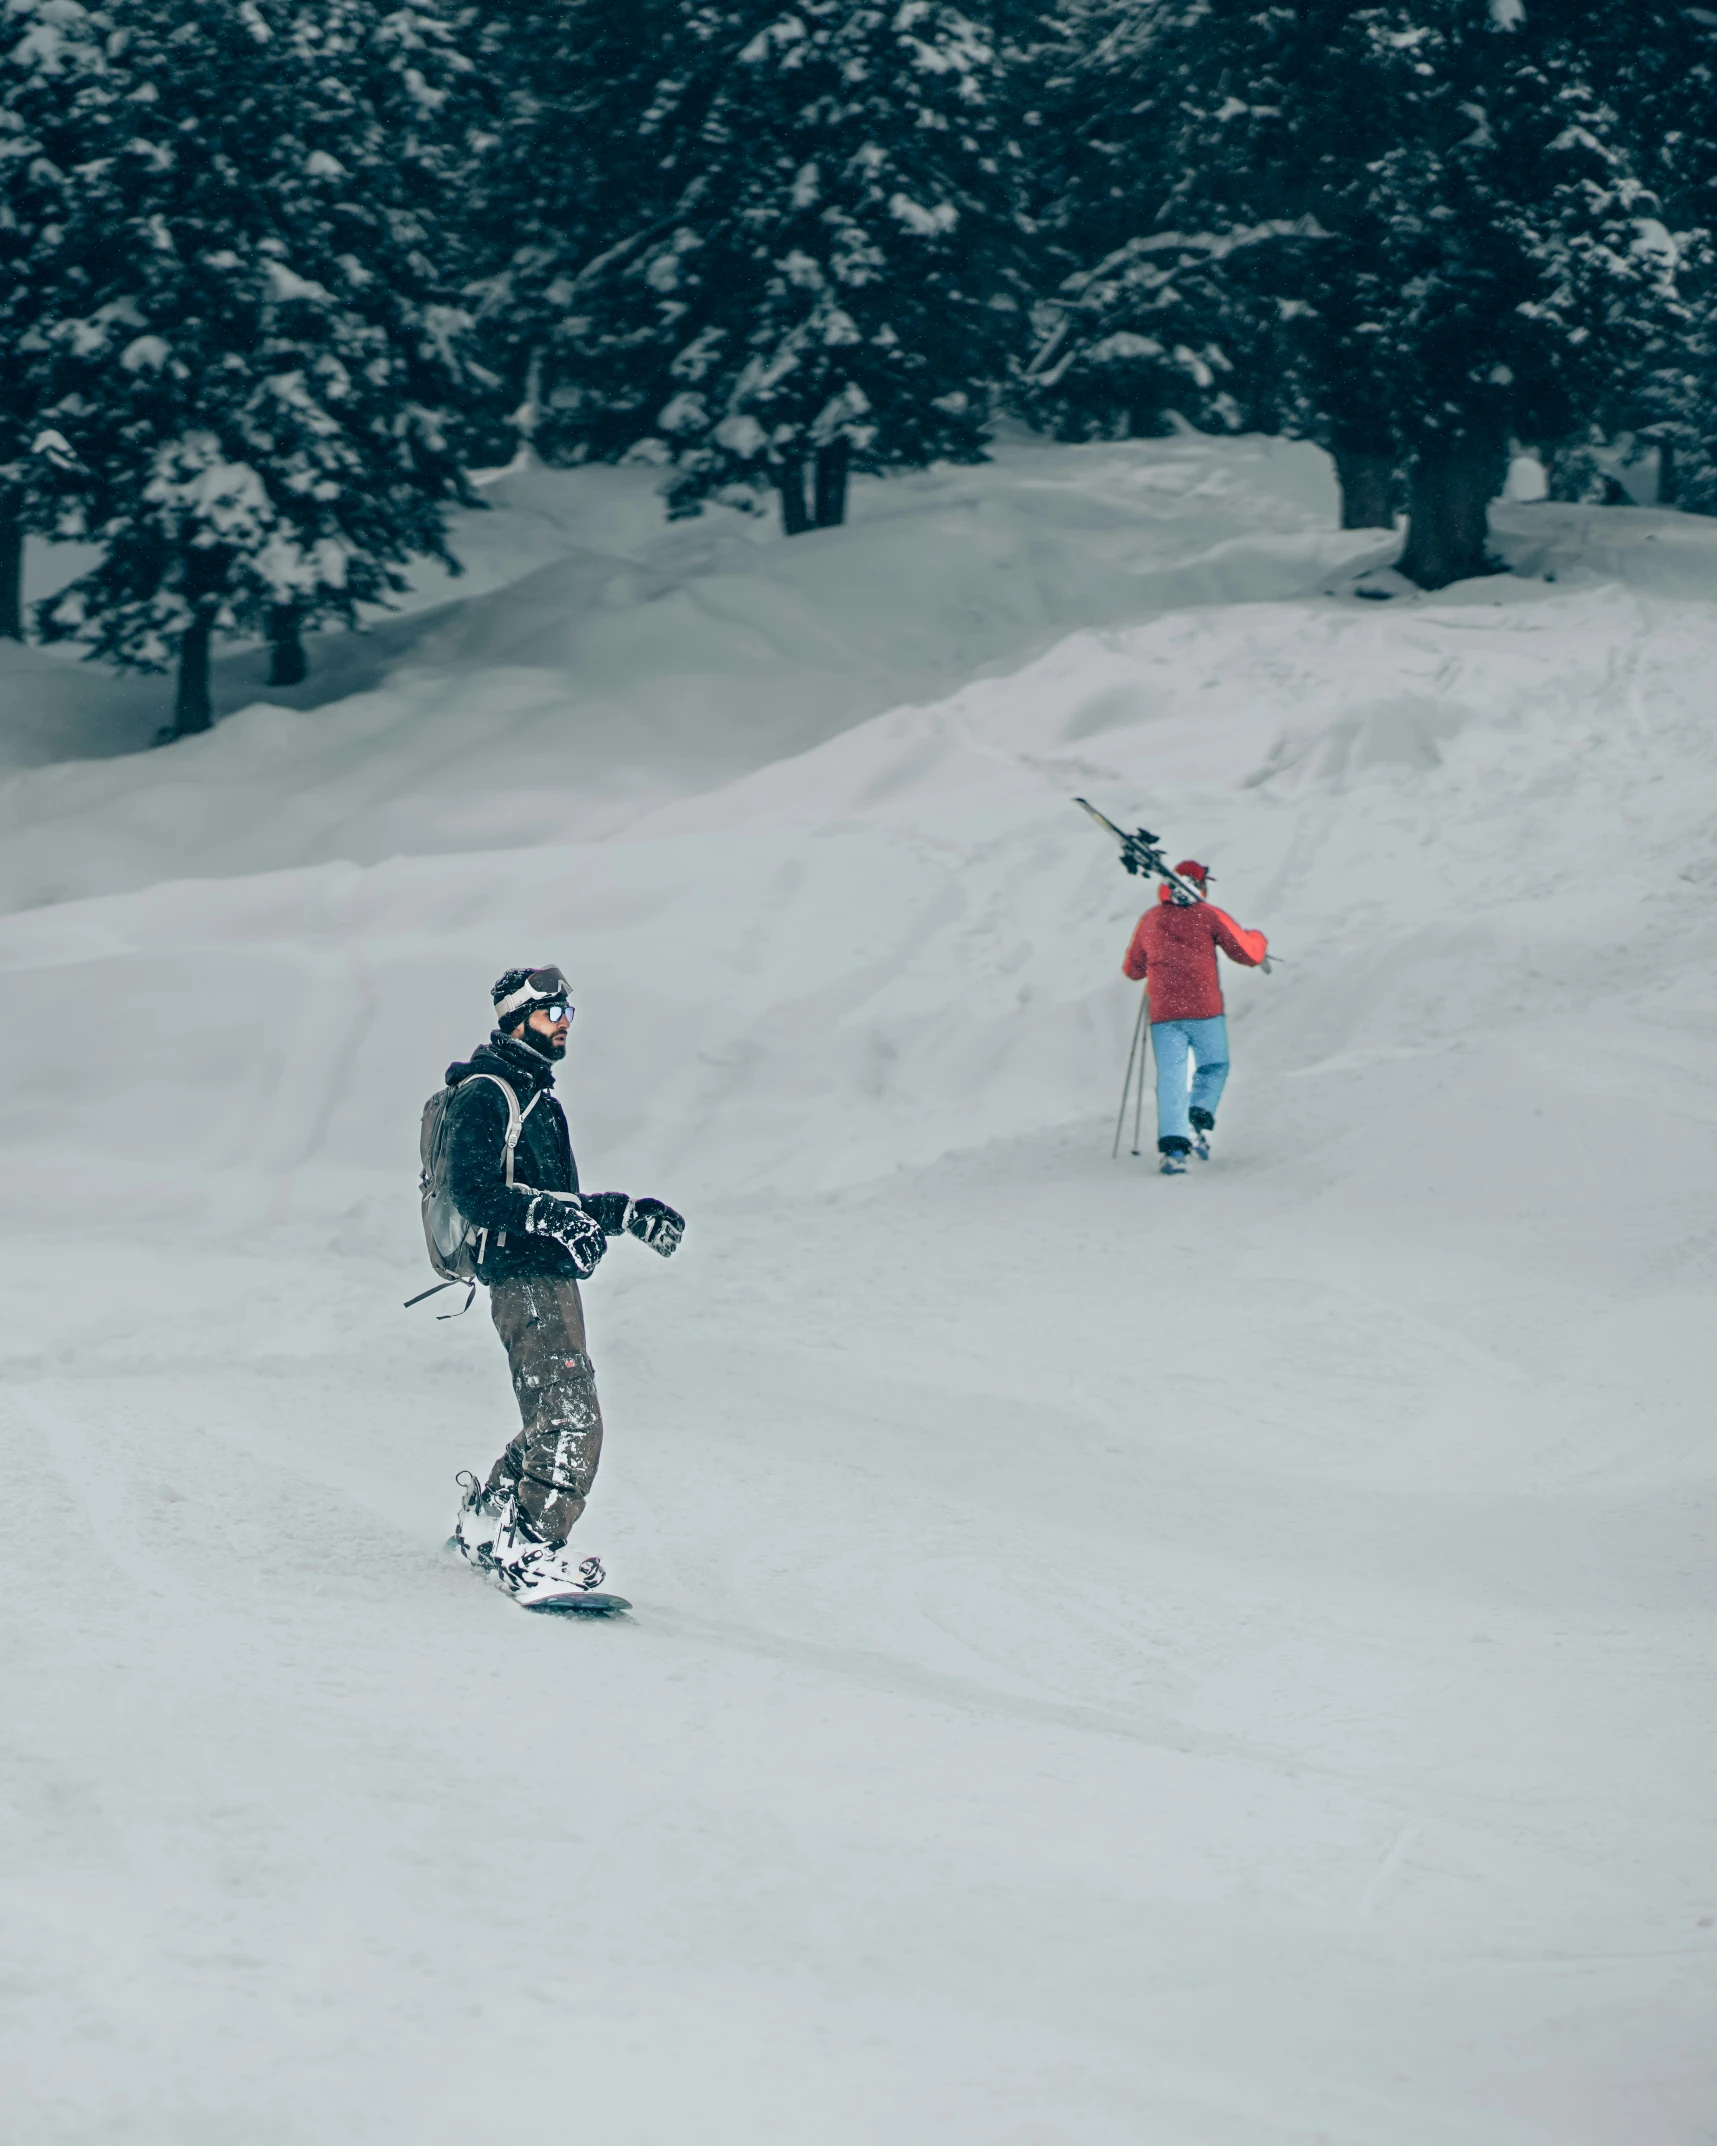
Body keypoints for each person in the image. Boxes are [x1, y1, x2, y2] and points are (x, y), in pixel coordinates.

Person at [444, 966, 684, 1606]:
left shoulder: (537, 1099)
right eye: (553, 1015)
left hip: (545, 1278)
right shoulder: (487, 1094)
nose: (563, 1027)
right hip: (521, 1278)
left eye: (569, 1016)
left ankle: (491, 1517)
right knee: (573, 1416)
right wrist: (546, 1217)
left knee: (553, 1409)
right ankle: (531, 1550)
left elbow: (560, 1200)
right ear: (515, 1019)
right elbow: (471, 1191)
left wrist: (628, 1212)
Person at [1121, 863, 1267, 1176]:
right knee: (1214, 1065)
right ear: (1198, 886)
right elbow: (1246, 953)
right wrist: (1258, 939)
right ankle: (1197, 1119)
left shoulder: (1150, 919)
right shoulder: (1209, 915)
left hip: (1164, 1015)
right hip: (1205, 1010)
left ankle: (1174, 1150)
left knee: (1172, 1077)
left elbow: (1133, 970)